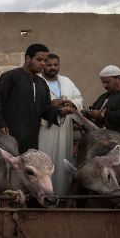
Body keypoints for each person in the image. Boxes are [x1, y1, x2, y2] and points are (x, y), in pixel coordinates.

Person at [0, 43, 73, 151]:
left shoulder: (41, 83)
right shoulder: (10, 77)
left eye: (45, 60)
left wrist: (60, 112)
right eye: (39, 59)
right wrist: (0, 125)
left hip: (30, 138)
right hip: (7, 136)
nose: (43, 63)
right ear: (28, 58)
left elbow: (45, 108)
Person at [37, 54, 83, 197]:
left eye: (55, 65)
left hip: (64, 129)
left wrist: (71, 104)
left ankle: (62, 194)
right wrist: (51, 105)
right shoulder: (37, 81)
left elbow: (79, 98)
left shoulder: (66, 81)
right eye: (49, 65)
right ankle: (43, 194)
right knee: (44, 158)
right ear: (43, 65)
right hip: (44, 127)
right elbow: (31, 104)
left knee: (63, 159)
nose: (53, 68)